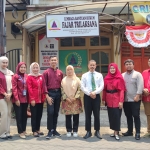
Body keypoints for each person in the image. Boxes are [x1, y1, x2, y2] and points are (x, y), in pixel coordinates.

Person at [81, 60, 104, 139]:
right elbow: (82, 86)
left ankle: (97, 131)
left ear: (96, 66)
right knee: (88, 114)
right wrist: (89, 93)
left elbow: (101, 86)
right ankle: (88, 131)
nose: (92, 66)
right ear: (88, 66)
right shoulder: (84, 75)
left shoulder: (99, 75)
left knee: (96, 114)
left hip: (96, 96)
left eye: (93, 65)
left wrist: (95, 92)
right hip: (87, 96)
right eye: (91, 65)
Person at [102, 63, 125, 140]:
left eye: (113, 68)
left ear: (116, 69)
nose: (112, 70)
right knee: (111, 116)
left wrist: (121, 101)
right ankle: (114, 131)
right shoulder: (106, 78)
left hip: (116, 99)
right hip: (109, 99)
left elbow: (122, 90)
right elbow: (104, 90)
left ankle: (116, 132)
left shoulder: (119, 78)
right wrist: (104, 99)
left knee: (117, 116)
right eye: (111, 68)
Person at [122, 59, 144, 140]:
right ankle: (130, 131)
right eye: (127, 64)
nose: (128, 65)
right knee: (128, 116)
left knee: (136, 116)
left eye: (130, 64)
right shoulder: (122, 75)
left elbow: (140, 86)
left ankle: (137, 132)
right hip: (126, 99)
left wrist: (138, 95)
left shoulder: (138, 74)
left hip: (135, 99)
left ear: (133, 65)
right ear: (125, 66)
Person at [43, 56, 63, 139]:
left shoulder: (60, 72)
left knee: (56, 113)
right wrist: (47, 96)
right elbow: (44, 85)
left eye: (55, 60)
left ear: (57, 61)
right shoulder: (46, 72)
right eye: (52, 60)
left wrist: (62, 95)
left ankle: (54, 129)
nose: (53, 61)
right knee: (50, 112)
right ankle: (50, 130)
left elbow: (62, 84)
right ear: (49, 61)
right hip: (50, 93)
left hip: (58, 93)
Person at [61, 65, 83, 138]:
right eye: (68, 70)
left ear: (73, 70)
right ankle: (69, 131)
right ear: (66, 71)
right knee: (68, 117)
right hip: (66, 100)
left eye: (71, 70)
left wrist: (75, 97)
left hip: (75, 100)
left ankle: (75, 130)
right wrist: (66, 98)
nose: (69, 71)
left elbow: (79, 89)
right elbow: (62, 90)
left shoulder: (77, 79)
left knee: (76, 116)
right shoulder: (63, 80)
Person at [27, 62, 47, 137]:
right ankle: (34, 130)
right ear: (31, 69)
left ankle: (38, 129)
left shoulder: (41, 76)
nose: (35, 69)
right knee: (34, 115)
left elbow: (43, 87)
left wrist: (44, 97)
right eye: (34, 68)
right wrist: (32, 99)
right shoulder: (29, 77)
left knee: (39, 115)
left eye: (36, 68)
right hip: (34, 100)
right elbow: (29, 88)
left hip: (40, 99)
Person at [12, 62, 28, 139]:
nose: (23, 69)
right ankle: (20, 131)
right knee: (19, 116)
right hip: (18, 99)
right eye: (21, 67)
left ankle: (24, 130)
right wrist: (16, 99)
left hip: (25, 99)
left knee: (24, 115)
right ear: (18, 68)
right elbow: (14, 88)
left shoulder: (26, 76)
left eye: (24, 67)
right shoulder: (15, 76)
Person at [0, 56, 14, 140]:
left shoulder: (10, 72)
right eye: (3, 62)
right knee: (4, 113)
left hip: (10, 95)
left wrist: (10, 94)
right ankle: (2, 133)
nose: (5, 64)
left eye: (6, 62)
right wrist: (5, 94)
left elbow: (13, 84)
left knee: (9, 113)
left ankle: (8, 132)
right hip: (1, 96)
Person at [142, 58, 150, 137]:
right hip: (146, 97)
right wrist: (144, 89)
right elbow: (141, 82)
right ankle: (149, 130)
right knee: (148, 114)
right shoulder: (144, 72)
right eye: (149, 61)